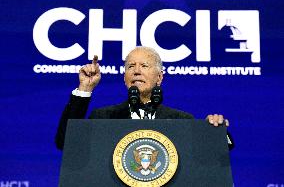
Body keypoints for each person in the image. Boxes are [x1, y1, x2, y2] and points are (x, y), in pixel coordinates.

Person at [55, 46, 234, 150]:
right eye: (131, 66)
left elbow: (216, 152)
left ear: (159, 77)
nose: (137, 71)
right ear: (125, 77)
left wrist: (215, 131)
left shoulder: (181, 120)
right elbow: (65, 142)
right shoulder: (103, 117)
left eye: (144, 66)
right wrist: (85, 88)